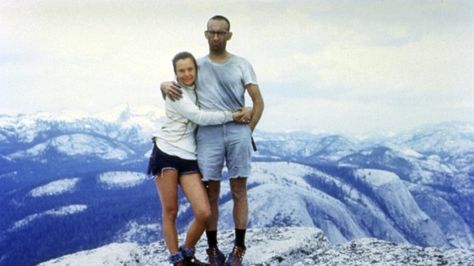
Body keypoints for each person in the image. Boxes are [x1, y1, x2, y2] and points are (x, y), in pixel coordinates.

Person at [161, 15, 264, 266]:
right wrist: (162, 84)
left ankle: (238, 248)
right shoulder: (196, 65)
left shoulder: (242, 64)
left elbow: (258, 101)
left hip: (237, 132)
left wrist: (248, 130)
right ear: (205, 34)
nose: (216, 37)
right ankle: (212, 249)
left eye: (221, 32)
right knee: (211, 194)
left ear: (229, 35)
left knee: (239, 191)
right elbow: (178, 85)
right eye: (212, 32)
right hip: (208, 136)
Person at [148, 51, 250, 266]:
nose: (186, 74)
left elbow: (214, 101)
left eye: (189, 69)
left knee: (204, 212)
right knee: (170, 211)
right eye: (180, 71)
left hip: (188, 156)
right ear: (175, 74)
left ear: (196, 69)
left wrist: (248, 107)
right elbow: (200, 117)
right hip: (166, 152)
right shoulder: (176, 92)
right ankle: (178, 260)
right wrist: (233, 115)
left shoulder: (198, 89)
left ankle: (187, 251)